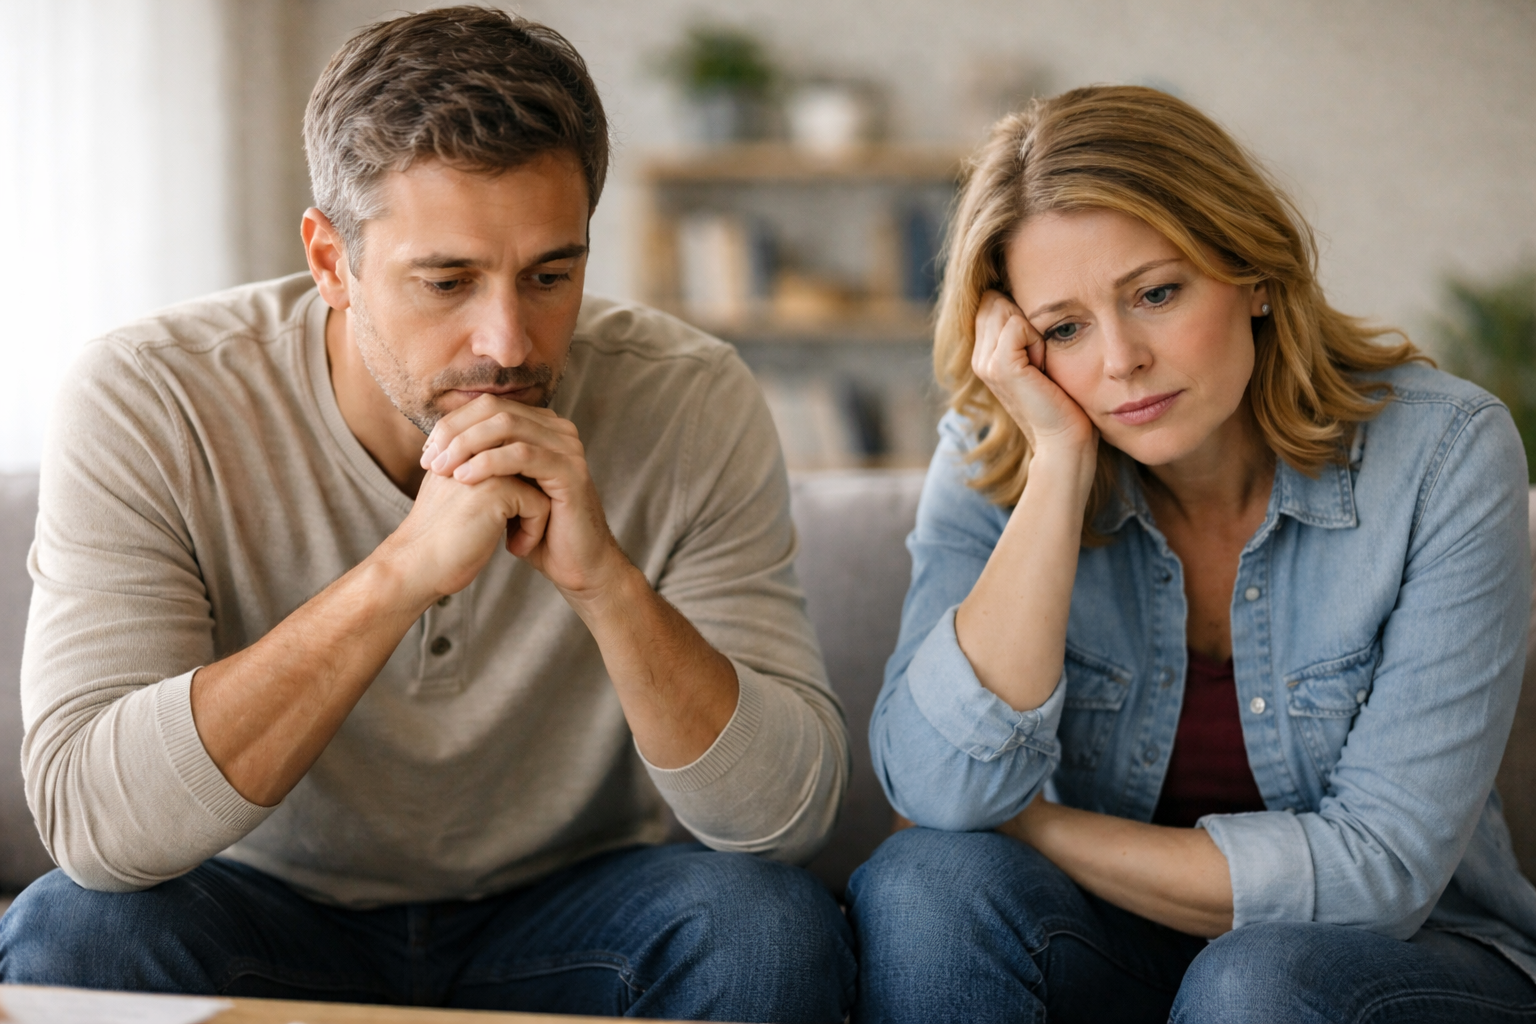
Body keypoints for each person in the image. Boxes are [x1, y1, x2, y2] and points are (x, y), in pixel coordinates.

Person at [0, 8, 854, 1020]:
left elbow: (781, 820)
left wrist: (606, 582)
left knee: (770, 930)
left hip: (572, 908)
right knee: (73, 933)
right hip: (256, 903)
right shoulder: (151, 394)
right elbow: (95, 822)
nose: (509, 340)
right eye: (447, 280)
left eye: (552, 275)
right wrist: (399, 573)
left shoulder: (690, 395)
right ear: (331, 262)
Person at [848, 85, 1536, 1023]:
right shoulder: (999, 452)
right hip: (1118, 949)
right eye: (1064, 329)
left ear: (1253, 271)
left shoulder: (1445, 453)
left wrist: (1035, 823)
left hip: (1400, 965)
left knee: (1255, 982)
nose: (1121, 359)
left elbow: (1385, 871)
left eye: (1156, 293)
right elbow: (934, 788)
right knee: (928, 882)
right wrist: (1056, 466)